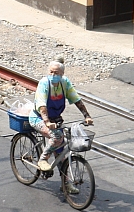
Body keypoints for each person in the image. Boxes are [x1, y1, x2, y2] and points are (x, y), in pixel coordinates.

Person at [29, 59, 93, 187]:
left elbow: (76, 99)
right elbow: (41, 105)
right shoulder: (44, 83)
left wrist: (86, 116)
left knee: (61, 152)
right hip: (38, 118)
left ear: (62, 74)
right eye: (51, 72)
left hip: (56, 119)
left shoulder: (65, 83)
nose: (53, 75)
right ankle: (43, 160)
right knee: (57, 137)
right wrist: (46, 121)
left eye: (56, 73)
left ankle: (66, 185)